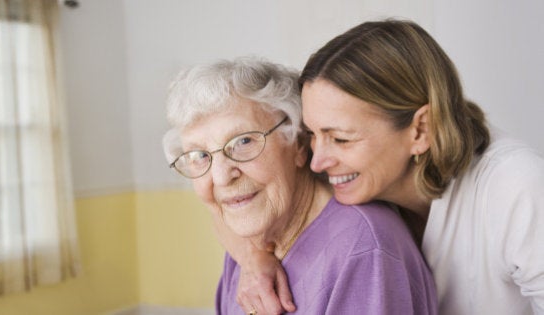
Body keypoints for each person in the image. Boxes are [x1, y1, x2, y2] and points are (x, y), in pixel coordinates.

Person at [230, 20, 544, 314]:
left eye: (340, 138)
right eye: (313, 134)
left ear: (421, 130)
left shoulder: (516, 186)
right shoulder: (346, 177)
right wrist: (253, 256)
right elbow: (224, 197)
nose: (318, 161)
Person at [162, 56, 437, 314]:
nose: (222, 177)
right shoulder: (249, 243)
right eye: (199, 156)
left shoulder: (363, 248)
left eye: (244, 141)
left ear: (299, 144)